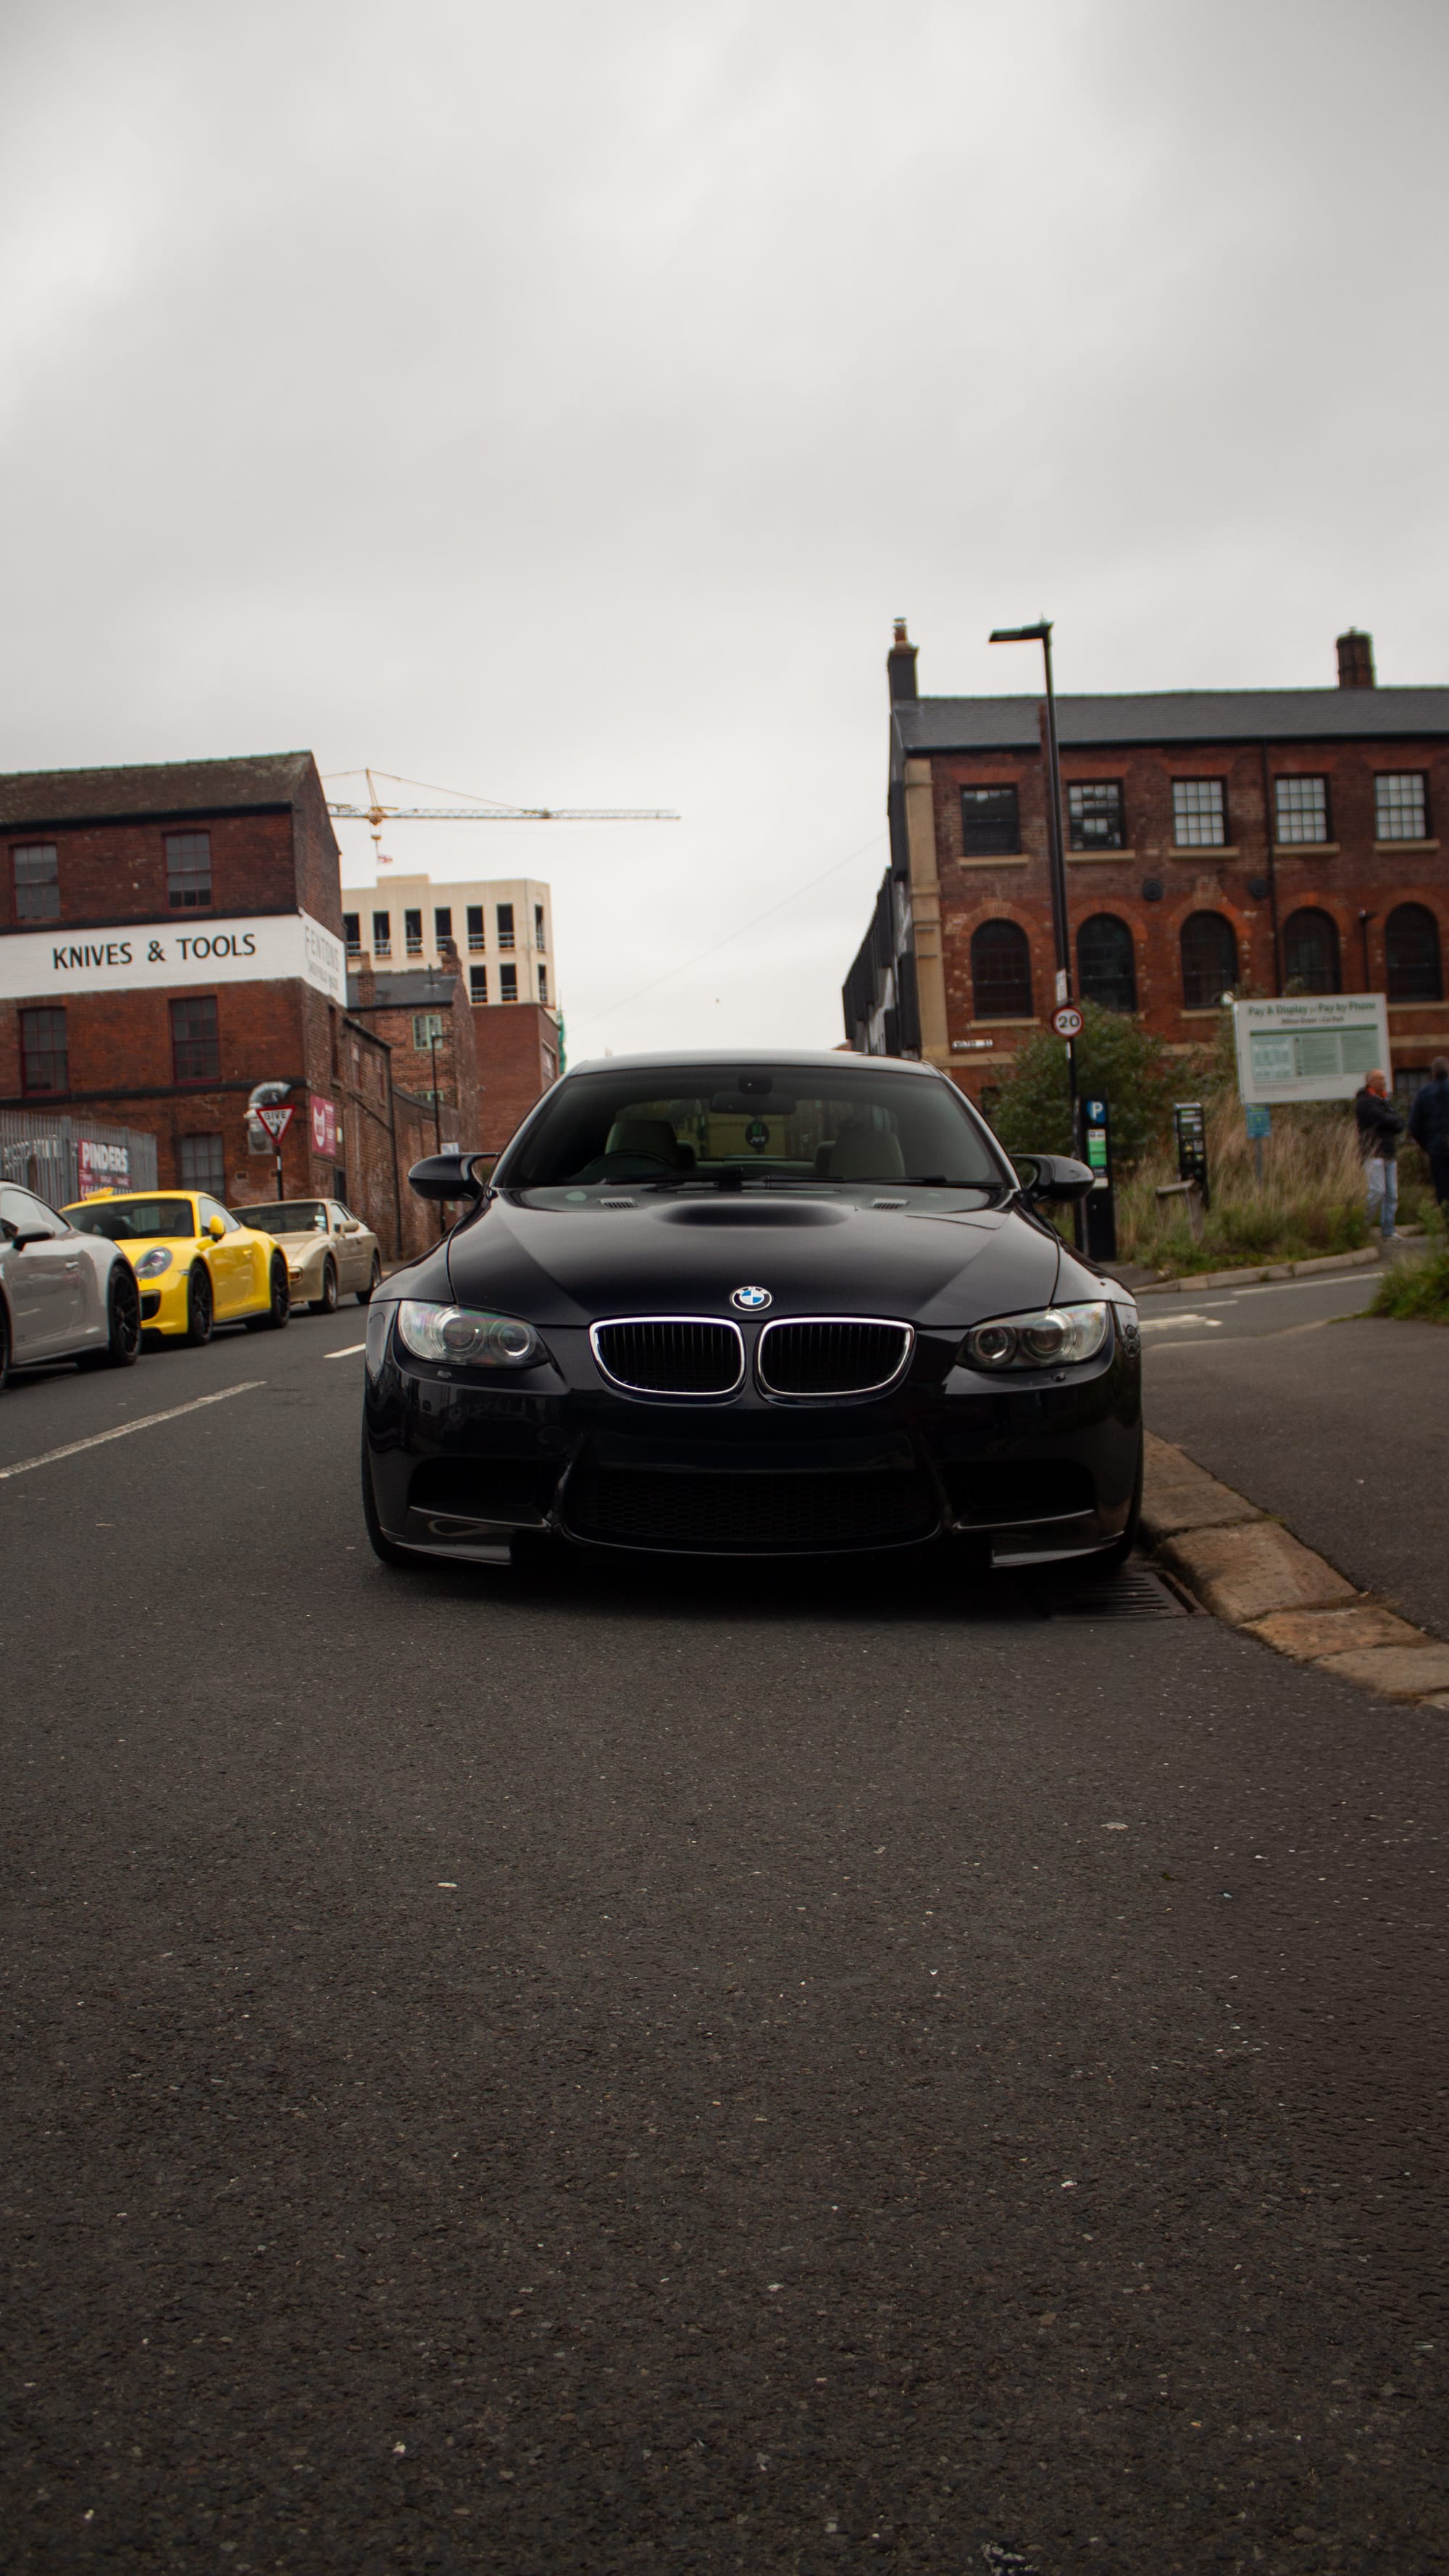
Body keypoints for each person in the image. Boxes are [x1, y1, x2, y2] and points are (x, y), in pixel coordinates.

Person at [1354, 1069, 1405, 1242]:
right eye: (1379, 1079)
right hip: (1373, 1152)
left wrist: (1390, 1121)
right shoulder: (1365, 1102)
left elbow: (1399, 1123)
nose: (1383, 1082)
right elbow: (1381, 1119)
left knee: (1392, 1194)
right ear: (1370, 1082)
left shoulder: (1385, 1101)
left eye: (1383, 1079)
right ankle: (1362, 1227)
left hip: (1389, 1152)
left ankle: (1388, 1229)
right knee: (1377, 1191)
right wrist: (1391, 1120)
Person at [1408, 1055, 1449, 1210]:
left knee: (1443, 1188)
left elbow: (1414, 1125)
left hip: (1437, 1148)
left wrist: (1427, 1145)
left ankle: (1446, 1218)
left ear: (1433, 1072)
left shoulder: (1424, 1093)